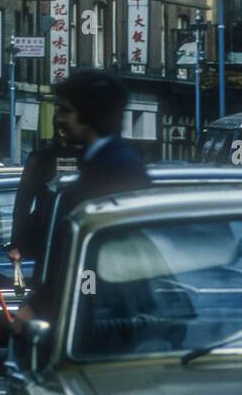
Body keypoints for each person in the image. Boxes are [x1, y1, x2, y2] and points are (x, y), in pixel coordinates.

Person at [14, 70, 150, 327]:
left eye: (66, 110)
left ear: (87, 115)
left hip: (106, 310)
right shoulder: (102, 161)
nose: (60, 119)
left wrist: (38, 307)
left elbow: (92, 252)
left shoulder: (115, 167)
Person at [8, 120, 81, 268]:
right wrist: (15, 244)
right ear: (62, 131)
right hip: (48, 241)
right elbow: (23, 202)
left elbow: (23, 203)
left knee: (85, 287)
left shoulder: (88, 158)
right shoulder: (40, 159)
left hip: (70, 239)